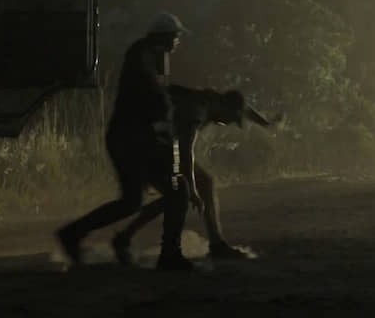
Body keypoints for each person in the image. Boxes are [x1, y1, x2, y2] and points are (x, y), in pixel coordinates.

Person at [56, 11, 197, 271]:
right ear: (165, 37)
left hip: (131, 138)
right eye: (176, 37)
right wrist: (166, 114)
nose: (177, 42)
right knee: (177, 190)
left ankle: (72, 234)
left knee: (134, 201)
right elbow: (154, 95)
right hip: (131, 140)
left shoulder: (148, 54)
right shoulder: (142, 55)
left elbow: (158, 94)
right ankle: (170, 254)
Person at [113, 86, 273, 261]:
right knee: (178, 194)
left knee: (198, 185)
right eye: (230, 118)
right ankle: (126, 237)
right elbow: (185, 153)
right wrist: (194, 191)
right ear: (225, 107)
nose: (228, 123)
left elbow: (244, 108)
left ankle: (216, 244)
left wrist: (266, 123)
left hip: (155, 142)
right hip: (143, 144)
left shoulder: (213, 99)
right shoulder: (197, 112)